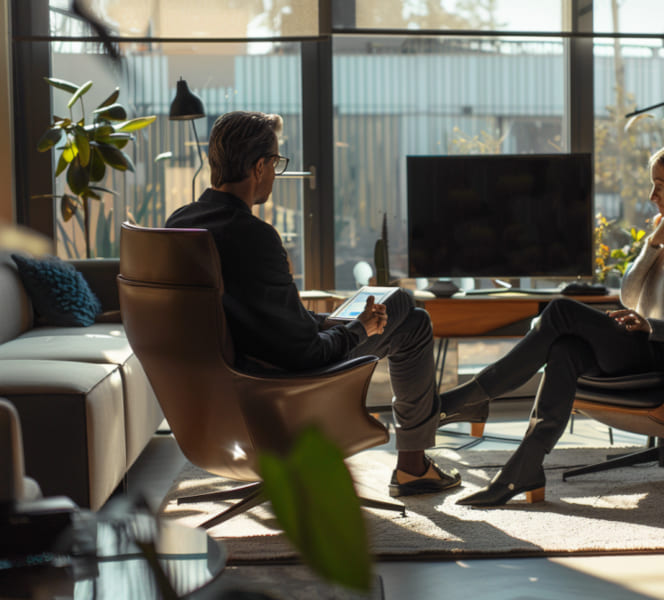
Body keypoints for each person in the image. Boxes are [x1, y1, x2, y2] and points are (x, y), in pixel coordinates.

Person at [165, 111, 460, 498]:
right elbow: (305, 354)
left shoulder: (178, 225)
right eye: (276, 162)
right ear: (259, 166)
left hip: (218, 392)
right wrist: (359, 329)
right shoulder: (254, 237)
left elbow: (251, 314)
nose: (275, 173)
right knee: (408, 310)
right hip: (279, 388)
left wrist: (325, 321)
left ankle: (414, 468)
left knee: (406, 314)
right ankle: (412, 468)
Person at [438, 141, 664, 507]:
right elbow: (629, 296)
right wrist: (654, 243)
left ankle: (473, 395)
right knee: (566, 350)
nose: (651, 195)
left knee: (560, 311)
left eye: (659, 185)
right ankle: (524, 469)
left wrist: (654, 328)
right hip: (642, 345)